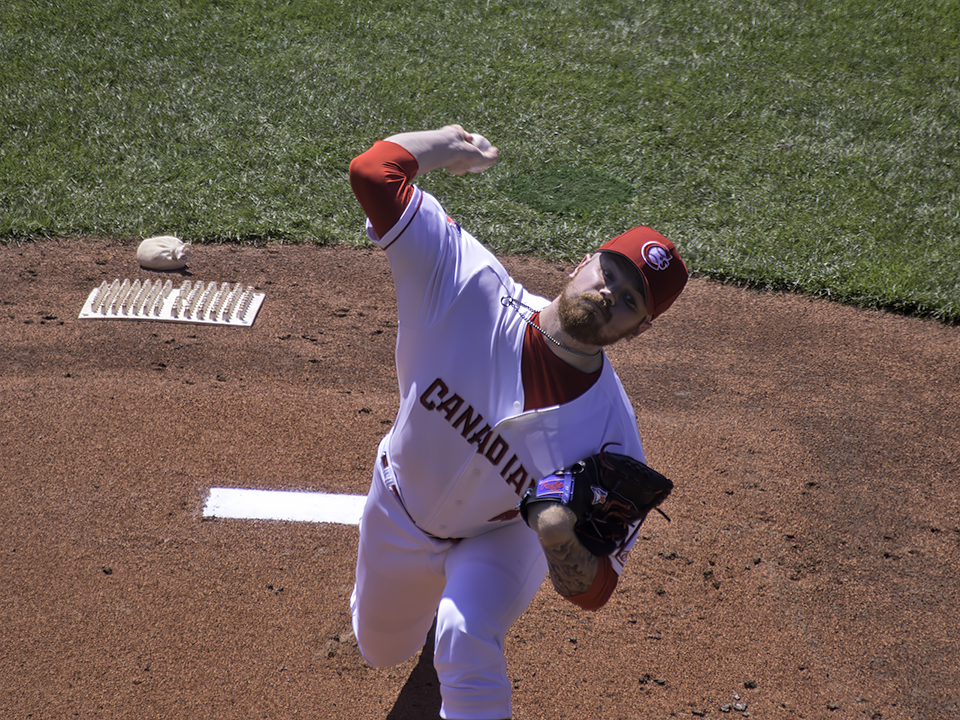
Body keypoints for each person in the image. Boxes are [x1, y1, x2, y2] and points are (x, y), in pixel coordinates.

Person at [348, 124, 688, 720]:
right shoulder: (467, 286)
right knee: (380, 648)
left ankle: (457, 616)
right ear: (586, 260)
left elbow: (596, 589)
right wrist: (446, 146)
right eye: (610, 273)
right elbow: (375, 174)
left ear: (639, 329)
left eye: (631, 300)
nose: (611, 293)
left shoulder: (612, 431)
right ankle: (413, 615)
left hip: (503, 534)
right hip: (399, 502)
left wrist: (560, 540)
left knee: (464, 630)